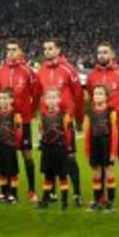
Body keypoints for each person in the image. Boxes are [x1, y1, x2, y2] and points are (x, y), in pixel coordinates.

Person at [86, 43, 119, 209]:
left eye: (105, 52)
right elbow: (91, 97)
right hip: (98, 127)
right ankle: (101, 197)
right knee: (100, 163)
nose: (101, 55)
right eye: (99, 52)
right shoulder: (92, 76)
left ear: (112, 54)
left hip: (117, 125)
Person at [38, 38, 83, 207]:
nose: (47, 51)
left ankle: (77, 194)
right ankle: (52, 194)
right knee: (49, 159)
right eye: (45, 48)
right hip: (48, 120)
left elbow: (78, 96)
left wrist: (76, 119)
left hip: (64, 121)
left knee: (69, 158)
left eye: (50, 48)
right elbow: (38, 94)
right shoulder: (41, 70)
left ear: (58, 50)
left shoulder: (68, 69)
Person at [0, 41, 41, 202]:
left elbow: (36, 94)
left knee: (27, 155)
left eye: (14, 49)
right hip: (5, 121)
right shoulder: (0, 71)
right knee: (7, 156)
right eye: (8, 49)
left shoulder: (28, 71)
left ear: (20, 51)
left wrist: (30, 112)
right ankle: (7, 191)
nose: (10, 52)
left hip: (23, 120)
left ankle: (32, 190)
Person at [37, 87, 75, 212]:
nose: (51, 100)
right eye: (49, 97)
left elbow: (69, 133)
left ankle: (64, 202)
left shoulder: (64, 116)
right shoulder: (42, 116)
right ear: (45, 100)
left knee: (62, 176)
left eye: (54, 97)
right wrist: (41, 143)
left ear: (59, 99)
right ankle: (45, 199)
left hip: (60, 149)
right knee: (48, 176)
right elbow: (41, 131)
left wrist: (69, 149)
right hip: (48, 150)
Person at [83, 84, 119, 212]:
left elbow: (114, 132)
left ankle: (111, 202)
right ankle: (97, 200)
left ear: (106, 97)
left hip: (107, 145)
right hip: (94, 146)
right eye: (95, 93)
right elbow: (87, 134)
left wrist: (113, 151)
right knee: (96, 173)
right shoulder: (89, 114)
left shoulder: (111, 112)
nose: (97, 96)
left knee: (109, 172)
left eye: (100, 93)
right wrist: (87, 152)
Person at [0, 88, 24, 203]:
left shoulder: (15, 114)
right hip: (0, 145)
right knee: (2, 170)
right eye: (1, 98)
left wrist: (15, 143)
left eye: (5, 98)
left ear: (11, 99)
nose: (3, 100)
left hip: (10, 145)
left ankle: (13, 194)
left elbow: (19, 131)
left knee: (12, 171)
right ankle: (4, 192)